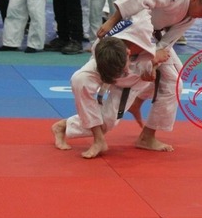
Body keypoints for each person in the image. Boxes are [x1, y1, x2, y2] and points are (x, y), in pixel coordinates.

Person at [96, 0, 202, 152]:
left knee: (175, 74)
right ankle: (146, 137)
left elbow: (166, 43)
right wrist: (112, 21)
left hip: (152, 37)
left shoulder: (190, 16)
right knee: (173, 83)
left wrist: (154, 63)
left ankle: (138, 103)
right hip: (133, 31)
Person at [53, 15, 170, 158]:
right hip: (109, 62)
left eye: (123, 68)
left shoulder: (144, 34)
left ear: (128, 53)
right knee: (79, 80)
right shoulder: (100, 48)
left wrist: (152, 67)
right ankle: (98, 140)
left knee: (108, 121)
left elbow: (163, 53)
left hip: (134, 77)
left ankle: (63, 126)